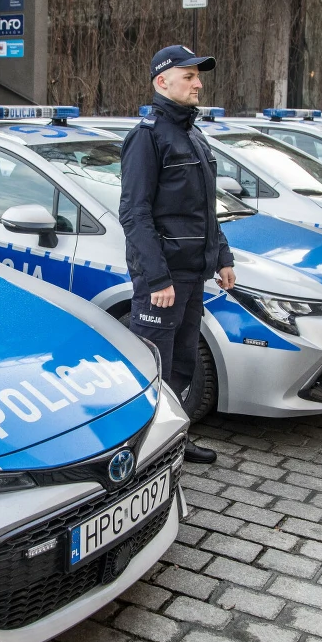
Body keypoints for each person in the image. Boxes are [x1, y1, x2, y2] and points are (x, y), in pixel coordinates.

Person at [120, 45, 237, 465]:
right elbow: (134, 214)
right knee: (154, 368)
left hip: (193, 275)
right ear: (161, 82)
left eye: (197, 76)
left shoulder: (193, 134)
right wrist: (157, 279)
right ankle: (140, 454)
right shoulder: (146, 138)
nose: (198, 83)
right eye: (189, 76)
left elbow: (205, 208)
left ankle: (174, 440)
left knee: (183, 366)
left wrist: (223, 256)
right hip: (164, 281)